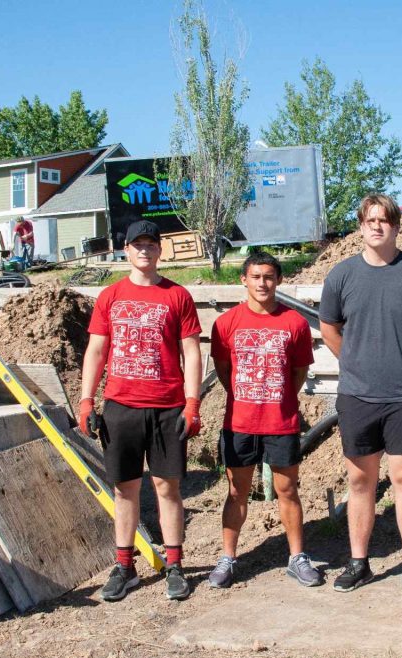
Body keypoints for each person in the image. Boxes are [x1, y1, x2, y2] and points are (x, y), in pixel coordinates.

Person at [319, 193, 402, 598]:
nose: (377, 226)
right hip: (358, 396)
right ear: (361, 226)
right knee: (360, 482)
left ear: (396, 226)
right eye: (370, 220)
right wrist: (358, 365)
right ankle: (358, 563)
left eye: (385, 220)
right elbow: (329, 330)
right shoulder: (341, 276)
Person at [79, 219, 202, 601]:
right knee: (124, 488)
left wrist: (193, 402)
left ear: (159, 249)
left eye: (151, 243)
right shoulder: (110, 296)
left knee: (168, 487)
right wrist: (86, 399)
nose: (144, 249)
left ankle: (175, 565)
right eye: (137, 244)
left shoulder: (177, 296)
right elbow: (97, 350)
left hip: (167, 408)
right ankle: (125, 566)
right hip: (121, 406)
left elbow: (192, 353)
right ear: (126, 250)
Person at [207, 251, 318, 589]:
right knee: (236, 492)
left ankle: (297, 557)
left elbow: (298, 372)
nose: (262, 283)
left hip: (281, 422)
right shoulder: (226, 324)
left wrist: (278, 398)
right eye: (255, 276)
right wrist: (246, 396)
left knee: (288, 490)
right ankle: (227, 558)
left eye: (269, 276)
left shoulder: (295, 323)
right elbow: (225, 372)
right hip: (240, 422)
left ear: (278, 280)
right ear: (244, 279)